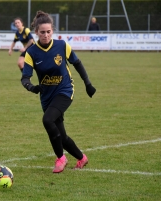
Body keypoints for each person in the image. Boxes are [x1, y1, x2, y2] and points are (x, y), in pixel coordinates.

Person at [21, 10, 96, 173]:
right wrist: (32, 87)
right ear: (36, 32)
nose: (46, 35)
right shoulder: (31, 53)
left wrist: (88, 84)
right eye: (42, 32)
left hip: (64, 91)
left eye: (49, 32)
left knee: (47, 120)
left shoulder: (62, 46)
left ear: (52, 31)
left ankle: (61, 158)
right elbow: (24, 78)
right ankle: (82, 158)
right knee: (61, 137)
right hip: (46, 97)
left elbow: (77, 63)